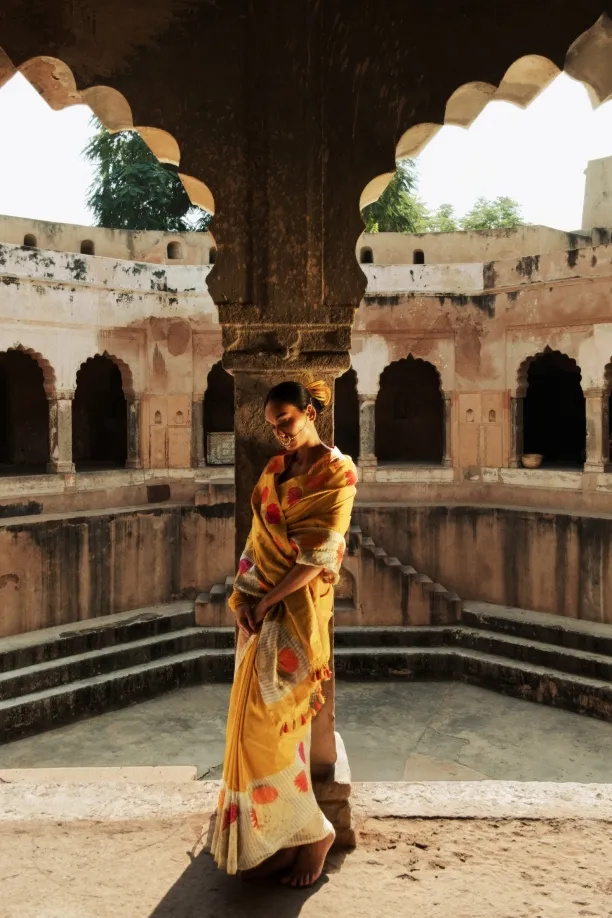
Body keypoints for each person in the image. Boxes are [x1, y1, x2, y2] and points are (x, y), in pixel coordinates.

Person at [210, 379, 357, 887]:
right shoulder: (274, 470)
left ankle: (315, 834)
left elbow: (319, 555)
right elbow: (257, 540)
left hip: (295, 615)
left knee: (272, 731)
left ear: (311, 412)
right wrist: (243, 598)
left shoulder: (338, 471)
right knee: (252, 730)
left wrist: (268, 599)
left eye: (287, 423)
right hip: (260, 608)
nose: (281, 435)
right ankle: (275, 833)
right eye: (273, 427)